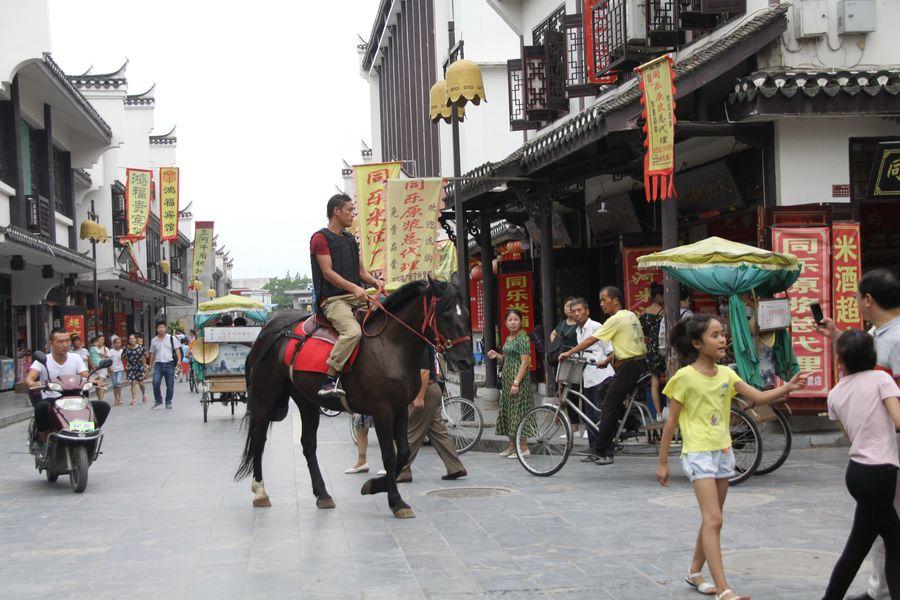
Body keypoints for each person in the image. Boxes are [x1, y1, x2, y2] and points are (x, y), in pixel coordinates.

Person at [656, 314, 805, 600]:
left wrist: (786, 388)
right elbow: (671, 422)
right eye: (715, 335)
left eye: (722, 333)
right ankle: (724, 589)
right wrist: (662, 462)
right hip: (698, 454)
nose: (722, 339)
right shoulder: (683, 378)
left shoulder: (727, 375)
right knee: (713, 519)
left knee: (714, 518)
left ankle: (694, 572)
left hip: (724, 452)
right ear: (697, 343)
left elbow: (758, 398)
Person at [818, 268, 900, 600]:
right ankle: (880, 591)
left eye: (857, 298)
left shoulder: (892, 340)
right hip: (882, 463)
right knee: (885, 534)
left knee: (874, 536)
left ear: (868, 299)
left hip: (867, 465)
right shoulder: (879, 336)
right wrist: (840, 334)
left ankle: (878, 591)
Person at [559, 286, 648, 465]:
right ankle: (631, 421)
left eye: (604, 300)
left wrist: (569, 353)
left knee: (607, 405)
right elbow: (626, 344)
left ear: (615, 300)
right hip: (637, 364)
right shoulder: (630, 315)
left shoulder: (614, 320)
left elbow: (593, 340)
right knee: (605, 394)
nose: (601, 304)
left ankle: (603, 450)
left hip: (629, 367)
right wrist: (607, 361)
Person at [310, 193, 384, 399]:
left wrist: (376, 282)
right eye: (350, 210)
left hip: (355, 295)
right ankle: (329, 379)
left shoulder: (351, 239)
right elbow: (328, 273)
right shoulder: (320, 238)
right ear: (337, 211)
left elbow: (361, 272)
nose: (353, 214)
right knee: (353, 332)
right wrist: (355, 289)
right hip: (333, 301)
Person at [24, 327, 111, 448]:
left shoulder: (75, 358)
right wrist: (35, 383)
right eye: (60, 341)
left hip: (74, 399)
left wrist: (96, 381)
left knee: (103, 407)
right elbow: (29, 379)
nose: (65, 344)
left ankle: (88, 436)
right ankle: (44, 442)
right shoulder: (43, 360)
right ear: (51, 343)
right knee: (41, 407)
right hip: (52, 400)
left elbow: (85, 375)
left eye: (67, 341)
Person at [397, 346, 467, 483]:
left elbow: (424, 372)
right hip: (431, 390)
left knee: (412, 433)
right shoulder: (425, 343)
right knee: (438, 433)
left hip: (425, 390)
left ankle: (401, 470)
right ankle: (455, 467)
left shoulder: (420, 345)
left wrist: (420, 397)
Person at [568, 297, 616, 462]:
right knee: (589, 416)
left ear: (587, 312)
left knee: (601, 415)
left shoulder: (596, 326)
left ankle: (607, 452)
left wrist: (605, 363)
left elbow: (610, 350)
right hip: (587, 377)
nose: (576, 314)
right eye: (573, 311)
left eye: (579, 310)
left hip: (601, 376)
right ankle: (594, 450)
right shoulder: (577, 330)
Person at [488, 309, 535, 458]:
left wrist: (516, 382)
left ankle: (523, 447)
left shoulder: (523, 338)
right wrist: (498, 356)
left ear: (521, 321)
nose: (513, 322)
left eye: (516, 319)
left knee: (518, 412)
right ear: (506, 322)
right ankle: (511, 446)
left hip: (518, 381)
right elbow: (508, 359)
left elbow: (524, 363)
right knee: (508, 412)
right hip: (507, 380)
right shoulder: (509, 338)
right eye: (510, 320)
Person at [550, 297, 581, 435]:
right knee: (566, 392)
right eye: (567, 306)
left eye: (572, 306)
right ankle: (573, 425)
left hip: (577, 361)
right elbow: (553, 334)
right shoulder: (562, 324)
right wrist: (557, 345)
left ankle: (582, 425)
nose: (569, 308)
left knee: (578, 391)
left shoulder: (580, 324)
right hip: (562, 361)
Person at [641, 283, 666, 420]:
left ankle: (659, 414)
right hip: (663, 347)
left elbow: (643, 333)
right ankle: (671, 409)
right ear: (658, 297)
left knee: (654, 381)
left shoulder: (644, 312)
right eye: (663, 296)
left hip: (650, 348)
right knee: (671, 378)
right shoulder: (663, 312)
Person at [149, 321, 181, 410]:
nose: (161, 329)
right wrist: (150, 365)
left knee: (170, 385)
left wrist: (179, 360)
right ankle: (158, 400)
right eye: (159, 327)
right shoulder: (154, 340)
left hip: (169, 364)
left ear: (166, 328)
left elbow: (177, 349)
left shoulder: (171, 338)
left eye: (163, 327)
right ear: (156, 329)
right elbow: (152, 353)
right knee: (155, 382)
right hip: (158, 365)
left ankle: (168, 402)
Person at [122, 333, 148, 405]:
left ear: (136, 339)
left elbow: (146, 355)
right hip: (131, 367)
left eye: (133, 338)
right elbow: (122, 357)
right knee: (133, 383)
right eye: (130, 339)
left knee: (141, 383)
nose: (132, 340)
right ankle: (134, 399)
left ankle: (144, 394)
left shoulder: (141, 348)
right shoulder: (127, 349)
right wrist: (126, 363)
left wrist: (144, 364)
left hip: (139, 367)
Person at [89, 335, 109, 402]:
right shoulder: (94, 348)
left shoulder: (105, 349)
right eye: (99, 340)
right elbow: (90, 358)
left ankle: (101, 400)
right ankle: (100, 400)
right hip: (95, 368)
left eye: (102, 340)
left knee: (100, 383)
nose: (99, 342)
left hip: (102, 368)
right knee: (97, 386)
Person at [107, 336, 125, 406]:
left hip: (120, 369)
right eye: (116, 343)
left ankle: (119, 397)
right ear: (113, 344)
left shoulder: (122, 351)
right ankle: (116, 399)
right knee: (114, 385)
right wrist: (109, 367)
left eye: (119, 343)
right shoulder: (111, 351)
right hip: (113, 369)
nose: (118, 344)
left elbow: (124, 359)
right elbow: (108, 360)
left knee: (118, 383)